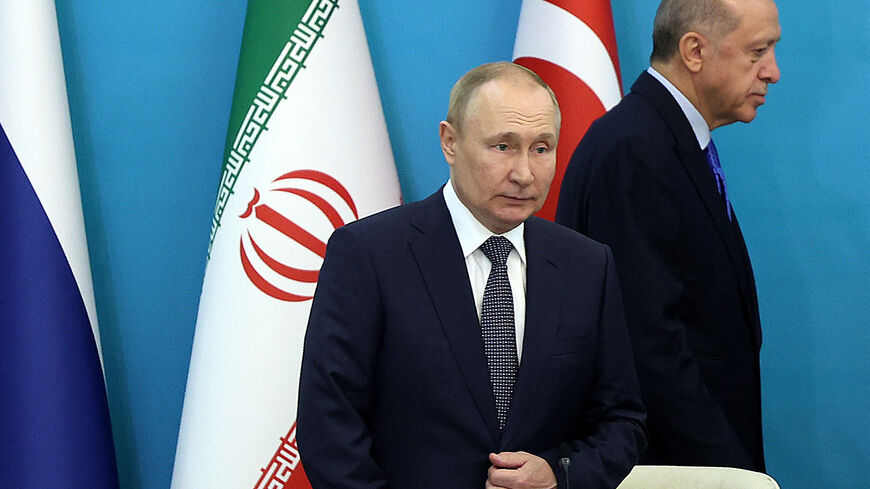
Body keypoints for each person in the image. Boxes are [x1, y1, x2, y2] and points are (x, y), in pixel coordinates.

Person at [298, 62, 646, 489]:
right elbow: (329, 426)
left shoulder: (588, 265)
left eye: (541, 148)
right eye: (503, 146)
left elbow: (622, 420)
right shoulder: (369, 254)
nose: (524, 174)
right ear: (450, 142)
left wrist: (559, 476)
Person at [556, 0, 780, 472]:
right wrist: (726, 471)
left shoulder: (664, 137)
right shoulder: (635, 150)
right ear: (694, 51)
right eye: (758, 51)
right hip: (670, 465)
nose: (772, 72)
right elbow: (647, 344)